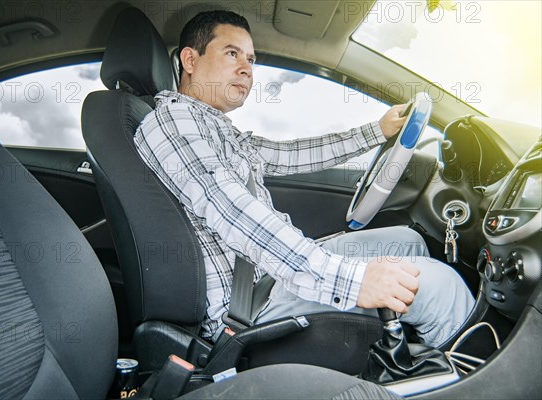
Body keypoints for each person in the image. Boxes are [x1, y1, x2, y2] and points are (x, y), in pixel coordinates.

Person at [134, 10, 474, 347]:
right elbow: (233, 212)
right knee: (442, 286)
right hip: (248, 304)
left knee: (406, 241)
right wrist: (352, 281)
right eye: (232, 53)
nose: (246, 69)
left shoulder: (215, 128)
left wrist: (377, 131)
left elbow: (291, 155)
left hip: (264, 274)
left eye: (251, 60)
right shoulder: (173, 122)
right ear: (190, 60)